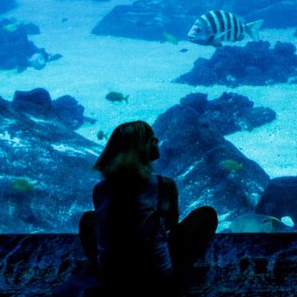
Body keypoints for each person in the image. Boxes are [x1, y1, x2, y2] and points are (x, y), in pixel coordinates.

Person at [78, 120, 218, 295]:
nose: (157, 139)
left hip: (112, 276)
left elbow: (107, 227)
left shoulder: (100, 189)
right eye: (152, 138)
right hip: (156, 275)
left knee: (88, 219)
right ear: (141, 147)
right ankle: (178, 277)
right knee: (206, 215)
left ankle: (107, 272)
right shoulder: (164, 184)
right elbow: (170, 225)